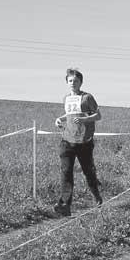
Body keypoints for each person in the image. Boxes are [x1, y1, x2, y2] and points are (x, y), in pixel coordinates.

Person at [53, 68, 103, 216]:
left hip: (84, 141)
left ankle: (97, 198)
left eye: (75, 81)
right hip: (67, 140)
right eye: (70, 81)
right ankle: (65, 205)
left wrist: (84, 119)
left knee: (88, 172)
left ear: (80, 82)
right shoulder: (66, 98)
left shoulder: (87, 98)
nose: (72, 83)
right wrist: (60, 119)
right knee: (66, 172)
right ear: (67, 82)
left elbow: (98, 116)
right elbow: (70, 114)